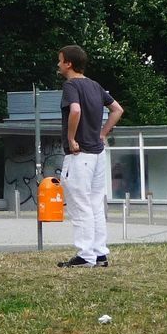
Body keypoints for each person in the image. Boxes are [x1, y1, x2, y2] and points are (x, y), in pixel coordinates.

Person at [55, 44, 124, 268]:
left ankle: (85, 255)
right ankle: (99, 253)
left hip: (79, 154)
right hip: (97, 154)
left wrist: (72, 138)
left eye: (60, 60)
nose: (58, 64)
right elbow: (117, 110)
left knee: (79, 204)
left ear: (69, 64)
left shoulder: (71, 86)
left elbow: (75, 110)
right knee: (95, 204)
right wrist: (102, 133)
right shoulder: (95, 86)